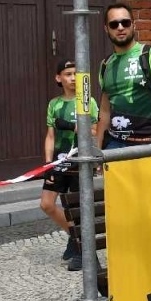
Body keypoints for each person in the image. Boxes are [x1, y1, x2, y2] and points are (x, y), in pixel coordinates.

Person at [95, 2, 151, 150]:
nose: (120, 27)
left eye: (125, 22)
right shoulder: (105, 65)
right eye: (114, 24)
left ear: (133, 25)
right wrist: (97, 150)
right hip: (116, 146)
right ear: (106, 29)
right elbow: (104, 111)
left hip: (150, 143)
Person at [39, 60, 98, 272]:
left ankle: (83, 250)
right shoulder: (54, 104)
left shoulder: (87, 102)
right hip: (58, 160)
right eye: (67, 74)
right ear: (59, 78)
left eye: (76, 74)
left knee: (77, 207)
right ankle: (75, 238)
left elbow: (95, 131)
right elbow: (50, 135)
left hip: (79, 160)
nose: (73, 78)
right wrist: (48, 163)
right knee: (47, 204)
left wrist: (75, 126)